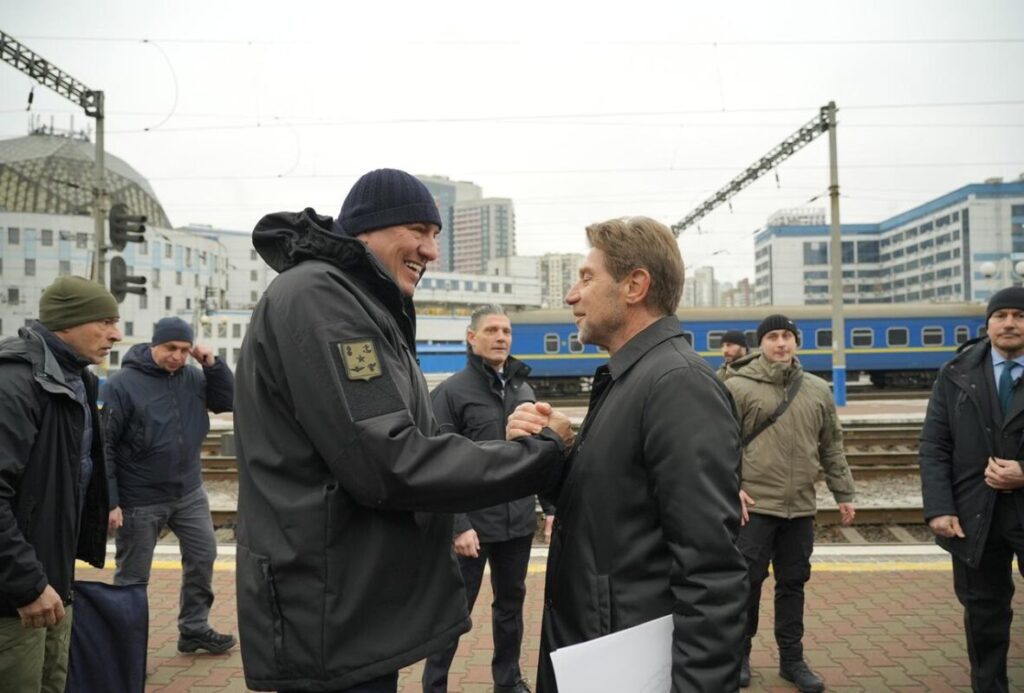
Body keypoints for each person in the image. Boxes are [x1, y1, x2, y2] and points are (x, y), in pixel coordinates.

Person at [233, 168, 572, 693]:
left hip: (345, 598)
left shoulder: (357, 301)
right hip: (328, 605)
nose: (431, 251)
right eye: (417, 230)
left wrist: (501, 448)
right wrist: (539, 457)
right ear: (366, 229)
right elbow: (389, 461)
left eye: (435, 235)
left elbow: (407, 440)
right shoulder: (324, 298)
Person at [509, 216, 748, 692]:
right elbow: (612, 506)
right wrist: (555, 452)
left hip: (622, 661)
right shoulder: (632, 379)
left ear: (635, 286)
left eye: (586, 278)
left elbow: (710, 572)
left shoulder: (676, 385)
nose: (571, 296)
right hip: (602, 652)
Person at [422, 304, 551, 693]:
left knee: (511, 608)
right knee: (453, 613)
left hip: (517, 524)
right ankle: (435, 687)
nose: (500, 338)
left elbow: (537, 456)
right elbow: (438, 463)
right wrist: (458, 525)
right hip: (473, 528)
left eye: (506, 331)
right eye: (491, 330)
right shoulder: (451, 393)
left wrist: (550, 508)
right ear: (471, 337)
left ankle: (507, 682)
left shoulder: (523, 390)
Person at [0, 276, 121, 691]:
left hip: (51, 583)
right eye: (105, 321)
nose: (116, 334)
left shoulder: (78, 380)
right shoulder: (14, 383)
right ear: (67, 322)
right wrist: (27, 584)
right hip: (16, 596)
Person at [724, 314, 856, 692]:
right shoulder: (737, 387)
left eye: (787, 336)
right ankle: (740, 655)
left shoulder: (816, 389)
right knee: (747, 583)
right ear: (761, 343)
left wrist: (844, 493)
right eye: (772, 337)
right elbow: (716, 444)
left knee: (793, 583)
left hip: (800, 507)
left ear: (796, 341)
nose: (780, 343)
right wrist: (731, 487)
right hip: (754, 506)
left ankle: (792, 660)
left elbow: (831, 445)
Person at [101, 316, 236, 654]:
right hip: (139, 498)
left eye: (185, 350)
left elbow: (228, 401)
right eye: (170, 348)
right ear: (154, 345)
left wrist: (213, 366)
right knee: (133, 578)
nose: (177, 356)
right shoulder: (122, 384)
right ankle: (126, 653)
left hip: (188, 491)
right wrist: (110, 500)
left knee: (203, 556)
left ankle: (194, 628)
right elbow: (104, 446)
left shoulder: (193, 377)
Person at [920, 286, 1024, 693]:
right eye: (1001, 316)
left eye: (1020, 315)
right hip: (974, 514)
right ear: (988, 324)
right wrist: (939, 508)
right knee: (984, 615)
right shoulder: (955, 373)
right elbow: (934, 445)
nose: (1009, 323)